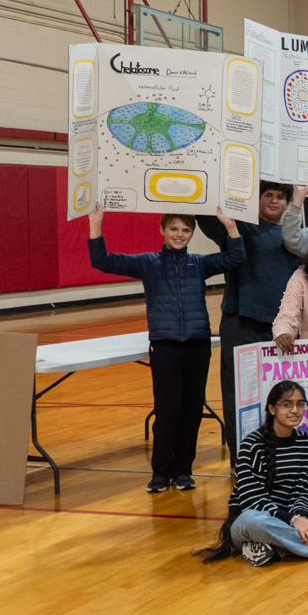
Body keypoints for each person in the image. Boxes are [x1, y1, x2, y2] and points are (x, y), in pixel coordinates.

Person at [89, 205, 244, 493]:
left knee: (192, 411)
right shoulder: (148, 262)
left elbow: (236, 257)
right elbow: (103, 261)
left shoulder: (198, 264)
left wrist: (230, 226)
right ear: (162, 230)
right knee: (167, 411)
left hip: (197, 346)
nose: (180, 234)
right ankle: (160, 473)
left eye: (186, 230)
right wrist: (96, 224)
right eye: (174, 229)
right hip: (165, 347)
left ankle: (183, 471)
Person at [196, 380, 308, 565]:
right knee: (252, 520)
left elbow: (303, 489)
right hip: (254, 522)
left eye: (300, 404)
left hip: (288, 520)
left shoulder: (304, 441)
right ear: (272, 409)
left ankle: (275, 548)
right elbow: (252, 500)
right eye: (287, 405)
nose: (295, 410)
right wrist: (292, 520)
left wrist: (300, 517)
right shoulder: (252, 444)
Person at [199, 181, 297, 463]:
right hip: (241, 323)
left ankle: (278, 458)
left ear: (288, 202)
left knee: (283, 395)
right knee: (239, 396)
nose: (275, 201)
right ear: (257, 199)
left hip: (282, 329)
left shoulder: (295, 236)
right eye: (268, 195)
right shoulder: (238, 226)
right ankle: (241, 460)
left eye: (281, 197)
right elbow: (205, 216)